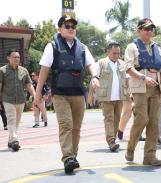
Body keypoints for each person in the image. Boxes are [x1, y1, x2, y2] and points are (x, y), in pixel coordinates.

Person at [34, 15, 99, 174]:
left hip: (78, 93)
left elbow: (91, 63)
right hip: (60, 94)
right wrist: (37, 94)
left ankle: (73, 157)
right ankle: (67, 157)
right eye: (67, 26)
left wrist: (94, 77)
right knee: (66, 125)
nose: (71, 29)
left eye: (73, 26)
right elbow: (44, 70)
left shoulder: (82, 47)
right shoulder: (52, 46)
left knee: (76, 128)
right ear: (60, 29)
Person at [123, 18, 161, 166]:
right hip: (139, 87)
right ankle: (130, 148)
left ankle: (150, 156)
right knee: (142, 119)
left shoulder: (157, 48)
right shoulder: (132, 47)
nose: (149, 31)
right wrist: (143, 77)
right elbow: (128, 68)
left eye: (151, 29)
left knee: (154, 122)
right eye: (146, 29)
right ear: (139, 30)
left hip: (155, 88)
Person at [90, 42, 129, 152]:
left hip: (119, 97)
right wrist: (90, 95)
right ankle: (111, 141)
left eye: (118, 53)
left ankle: (113, 139)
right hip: (106, 97)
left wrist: (129, 94)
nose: (117, 55)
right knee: (109, 119)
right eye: (114, 53)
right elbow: (94, 78)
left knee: (116, 119)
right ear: (108, 52)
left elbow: (127, 80)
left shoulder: (122, 64)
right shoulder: (101, 63)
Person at [0, 49, 36, 151]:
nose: (17, 59)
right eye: (14, 57)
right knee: (11, 120)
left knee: (16, 122)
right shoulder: (2, 70)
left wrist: (35, 97)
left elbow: (29, 85)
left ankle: (10, 141)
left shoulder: (24, 71)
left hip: (20, 100)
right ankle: (15, 140)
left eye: (18, 57)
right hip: (7, 99)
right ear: (8, 58)